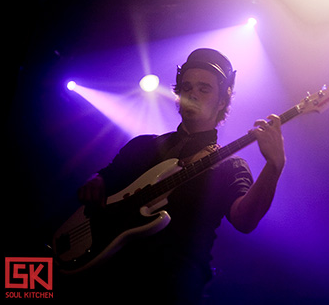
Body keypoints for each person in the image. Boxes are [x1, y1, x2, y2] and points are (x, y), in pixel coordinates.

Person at [63, 48, 285, 303]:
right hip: (108, 272)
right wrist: (96, 181)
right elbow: (103, 180)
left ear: (222, 101)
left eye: (204, 89)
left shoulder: (230, 166)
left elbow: (244, 220)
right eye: (187, 87)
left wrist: (274, 166)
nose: (192, 93)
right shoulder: (143, 145)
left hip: (172, 285)